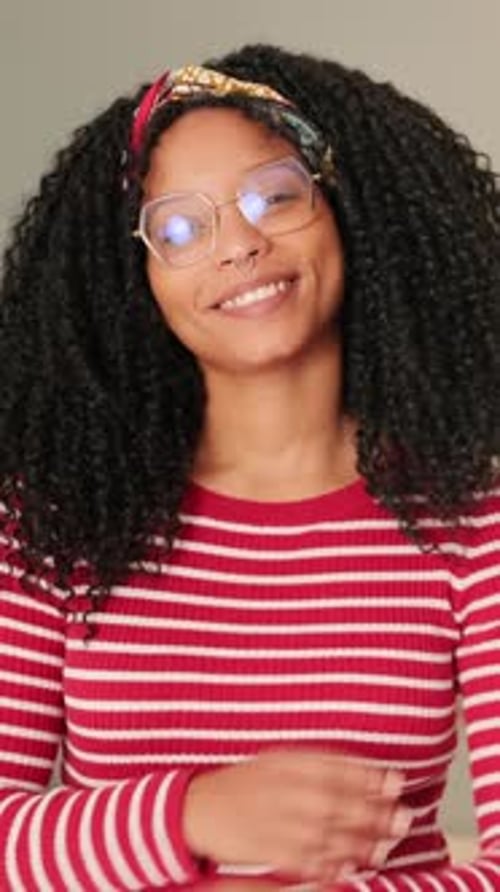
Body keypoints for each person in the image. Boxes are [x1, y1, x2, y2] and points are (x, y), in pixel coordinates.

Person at [0, 41, 499, 892]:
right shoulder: (52, 516)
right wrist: (193, 811)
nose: (238, 246)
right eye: (181, 229)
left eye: (273, 196)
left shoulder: (469, 514)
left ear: (348, 209)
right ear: (138, 279)